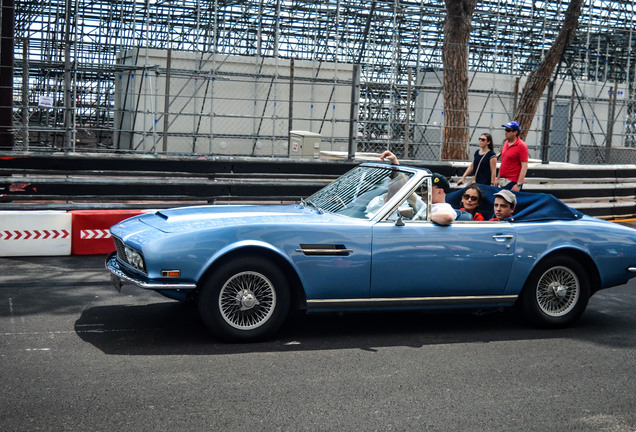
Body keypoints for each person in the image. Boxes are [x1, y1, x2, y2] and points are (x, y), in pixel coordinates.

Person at [380, 150, 456, 225]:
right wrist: (395, 162)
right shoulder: (424, 205)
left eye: (426, 188)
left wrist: (426, 216)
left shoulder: (443, 208)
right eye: (422, 187)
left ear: (440, 191)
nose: (422, 190)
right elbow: (404, 187)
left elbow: (448, 217)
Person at [496, 121, 528, 191]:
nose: (505, 132)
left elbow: (524, 166)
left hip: (513, 182)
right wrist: (498, 179)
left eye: (508, 130)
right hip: (503, 181)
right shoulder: (506, 143)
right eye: (505, 130)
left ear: (515, 132)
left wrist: (518, 184)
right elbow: (503, 162)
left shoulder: (521, 146)